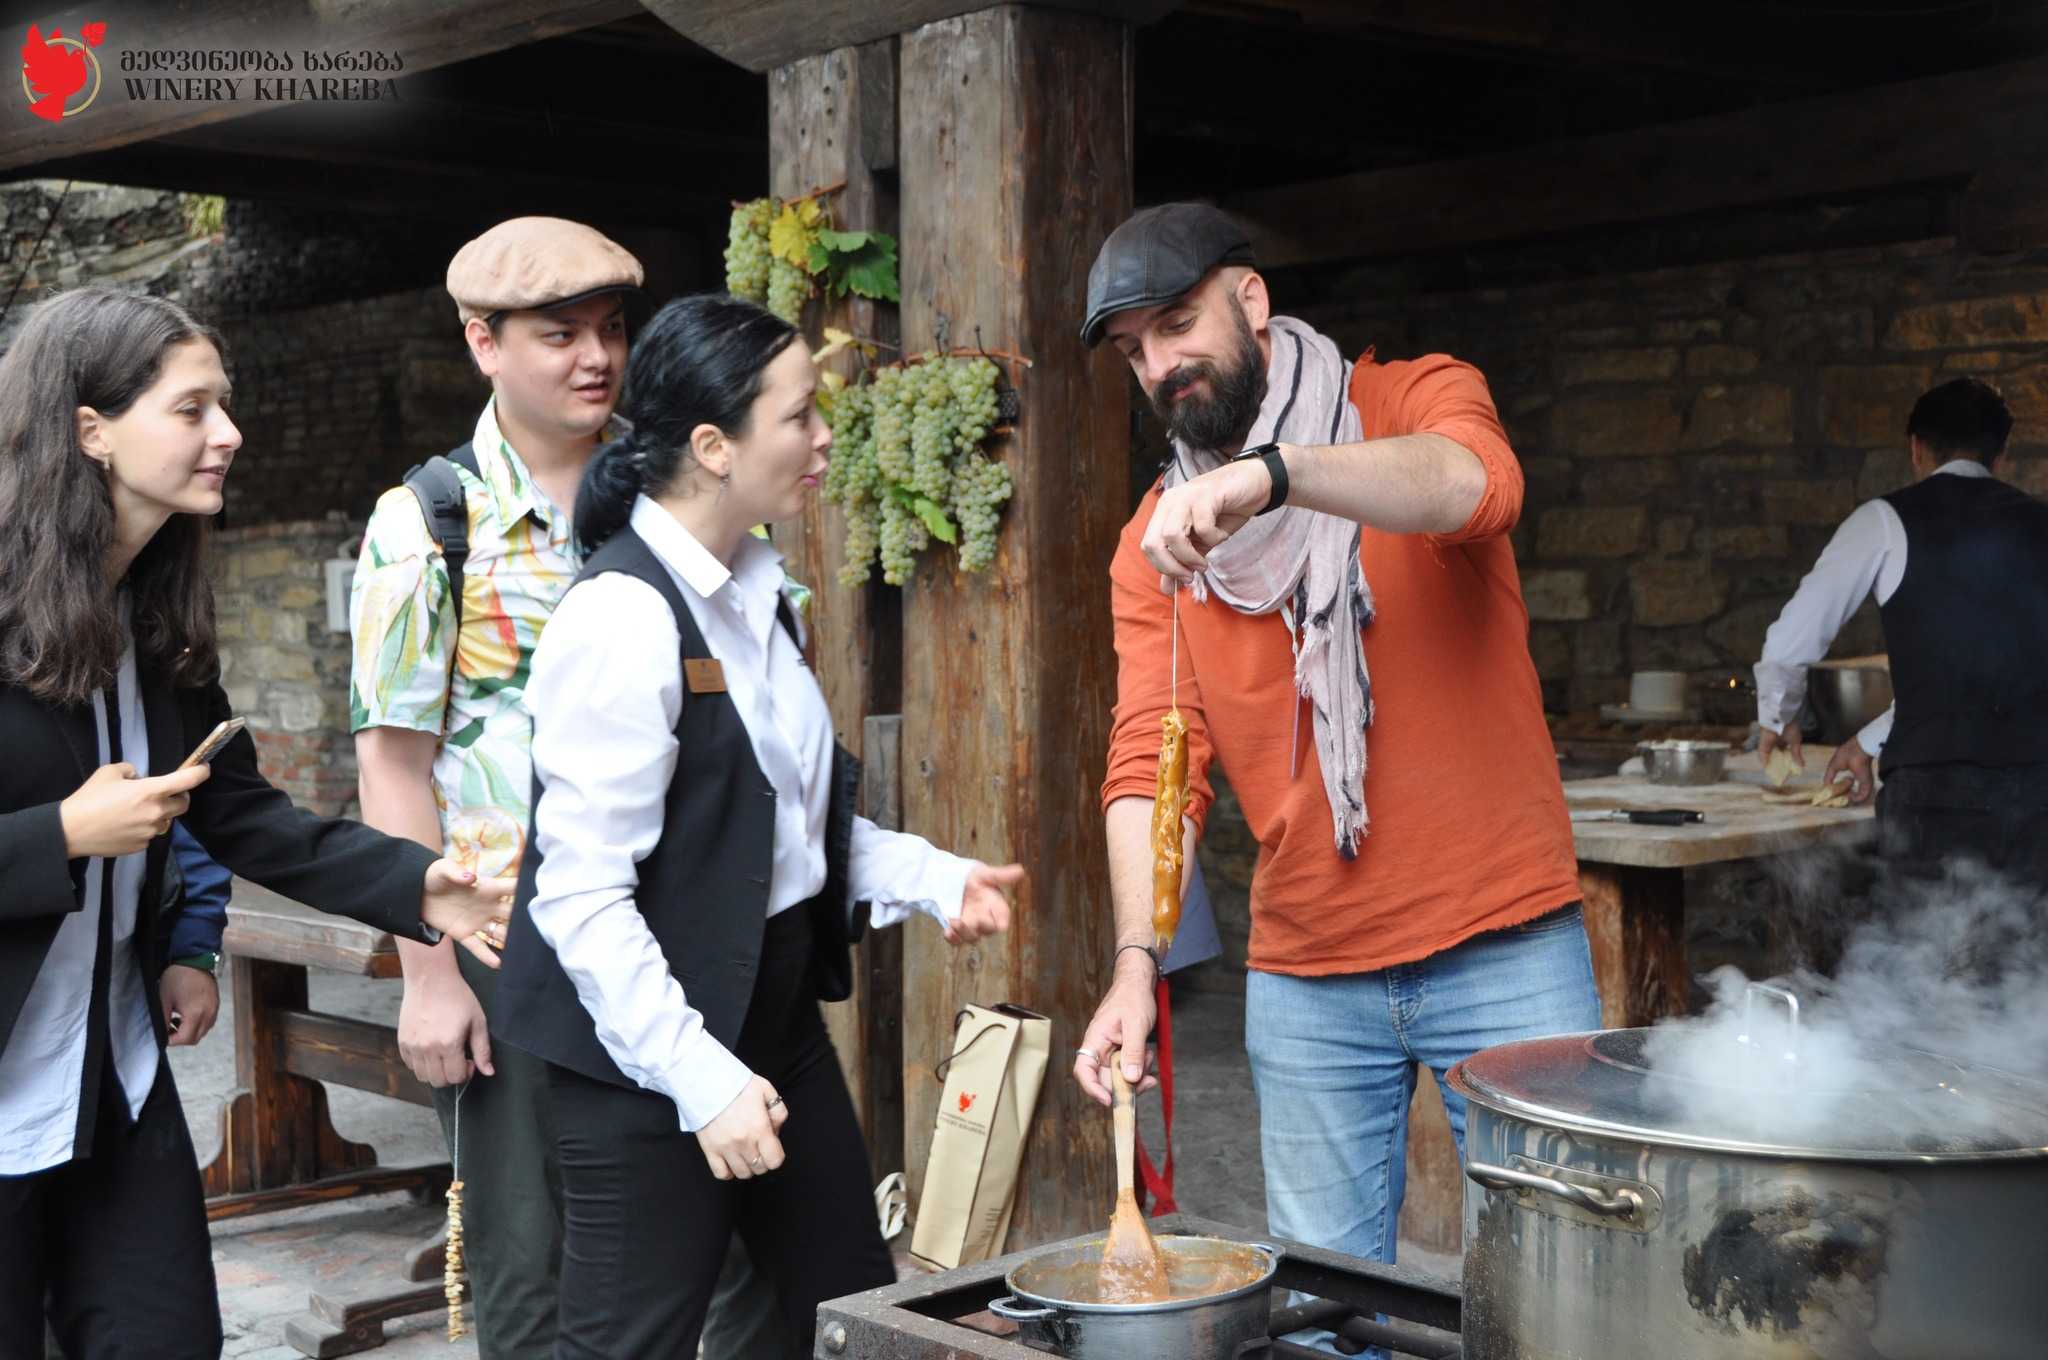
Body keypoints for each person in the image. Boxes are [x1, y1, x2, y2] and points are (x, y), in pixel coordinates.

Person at [1068, 203, 1600, 1355]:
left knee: (1564, 1309)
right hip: (1306, 976)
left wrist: (1274, 478)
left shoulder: (1409, 397)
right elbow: (1152, 761)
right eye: (1132, 350)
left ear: (1249, 300)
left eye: (1176, 323)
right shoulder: (1159, 543)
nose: (1158, 364)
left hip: (1504, 940)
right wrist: (1132, 964)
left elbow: (1476, 486)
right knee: (1322, 1327)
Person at [491, 294, 1024, 1359]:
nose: (824, 436)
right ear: (712, 447)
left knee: (851, 1315)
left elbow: (773, 824)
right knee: (629, 1345)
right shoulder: (620, 618)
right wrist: (700, 1079)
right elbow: (580, 898)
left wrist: (928, 875)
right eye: (799, 414)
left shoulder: (757, 586)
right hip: (639, 1055)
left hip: (775, 1021)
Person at [0, 286, 512, 1360]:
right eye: (192, 409)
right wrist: (61, 837)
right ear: (90, 430)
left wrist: (419, 886)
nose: (228, 432)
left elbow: (242, 814)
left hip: (109, 1082)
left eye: (222, 404)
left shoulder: (153, 618)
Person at [1755, 377, 2048, 896]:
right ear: (2002, 454)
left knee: (1924, 945)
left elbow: (1790, 643)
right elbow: (1978, 678)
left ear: (1916, 448)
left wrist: (1779, 718)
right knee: (2027, 947)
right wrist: (1867, 742)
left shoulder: (1882, 522)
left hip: (1933, 799)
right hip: (2037, 796)